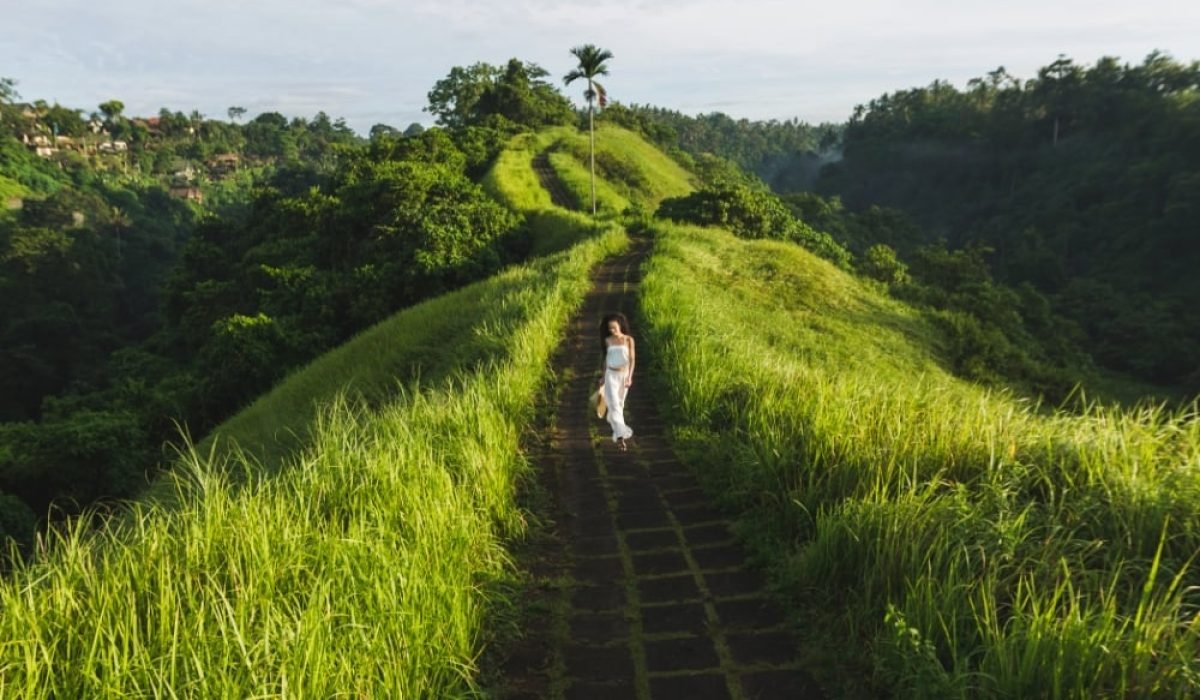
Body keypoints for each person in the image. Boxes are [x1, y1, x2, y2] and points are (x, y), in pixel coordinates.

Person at [598, 312, 635, 451]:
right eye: (610, 329)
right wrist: (602, 377)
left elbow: (632, 359)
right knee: (613, 405)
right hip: (610, 375)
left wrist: (630, 376)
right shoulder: (608, 341)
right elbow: (606, 360)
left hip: (624, 375)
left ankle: (618, 432)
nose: (612, 331)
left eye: (614, 327)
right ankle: (620, 438)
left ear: (620, 326)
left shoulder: (629, 340)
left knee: (619, 405)